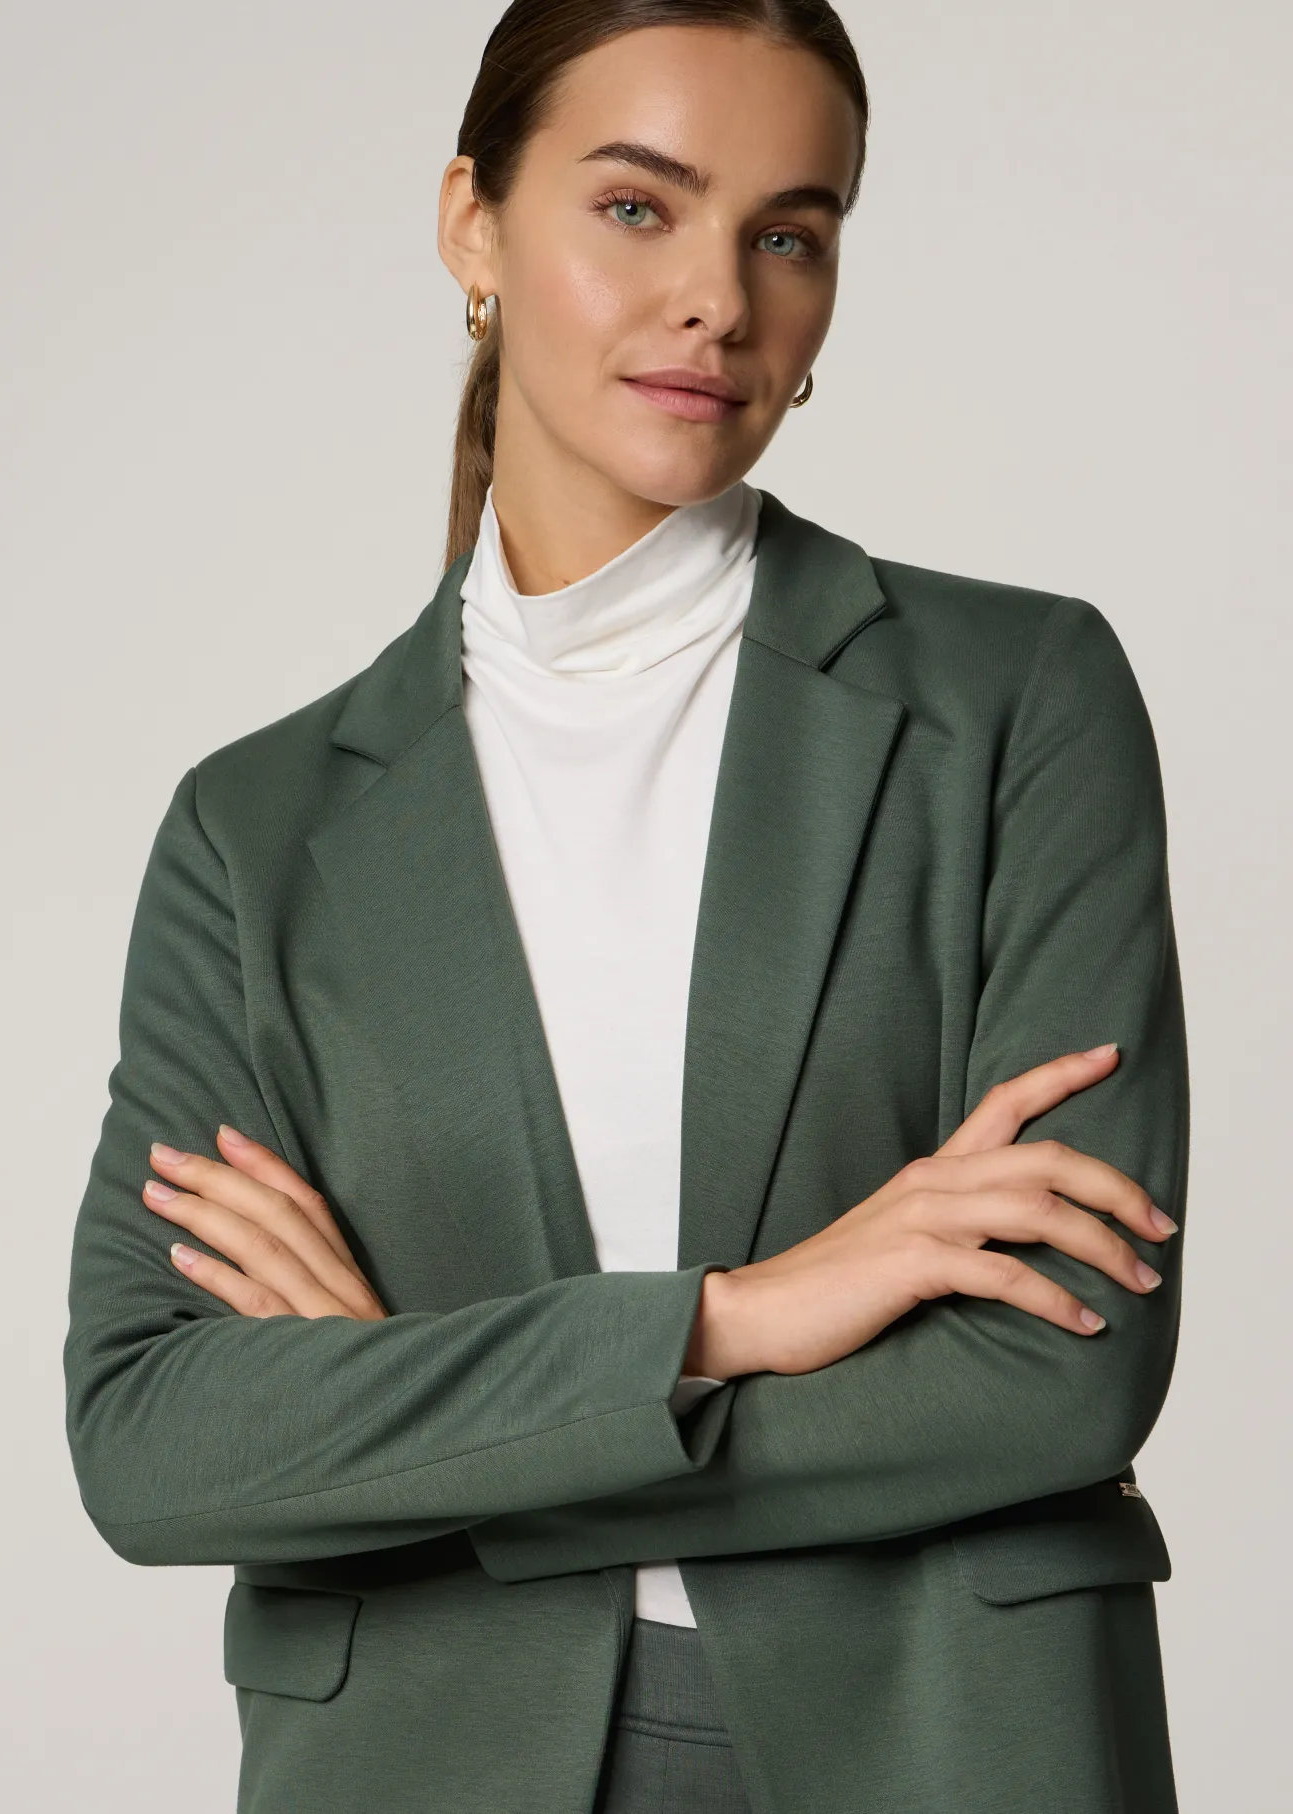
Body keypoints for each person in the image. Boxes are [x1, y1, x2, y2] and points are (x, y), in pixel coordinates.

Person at [63, 3, 1187, 1810]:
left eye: (789, 234)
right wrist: (731, 1317)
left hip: (946, 1744)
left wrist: (421, 1427)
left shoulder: (1015, 702)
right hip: (427, 1755)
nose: (719, 301)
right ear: (473, 224)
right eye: (639, 207)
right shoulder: (255, 832)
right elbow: (152, 1440)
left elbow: (1054, 1369)